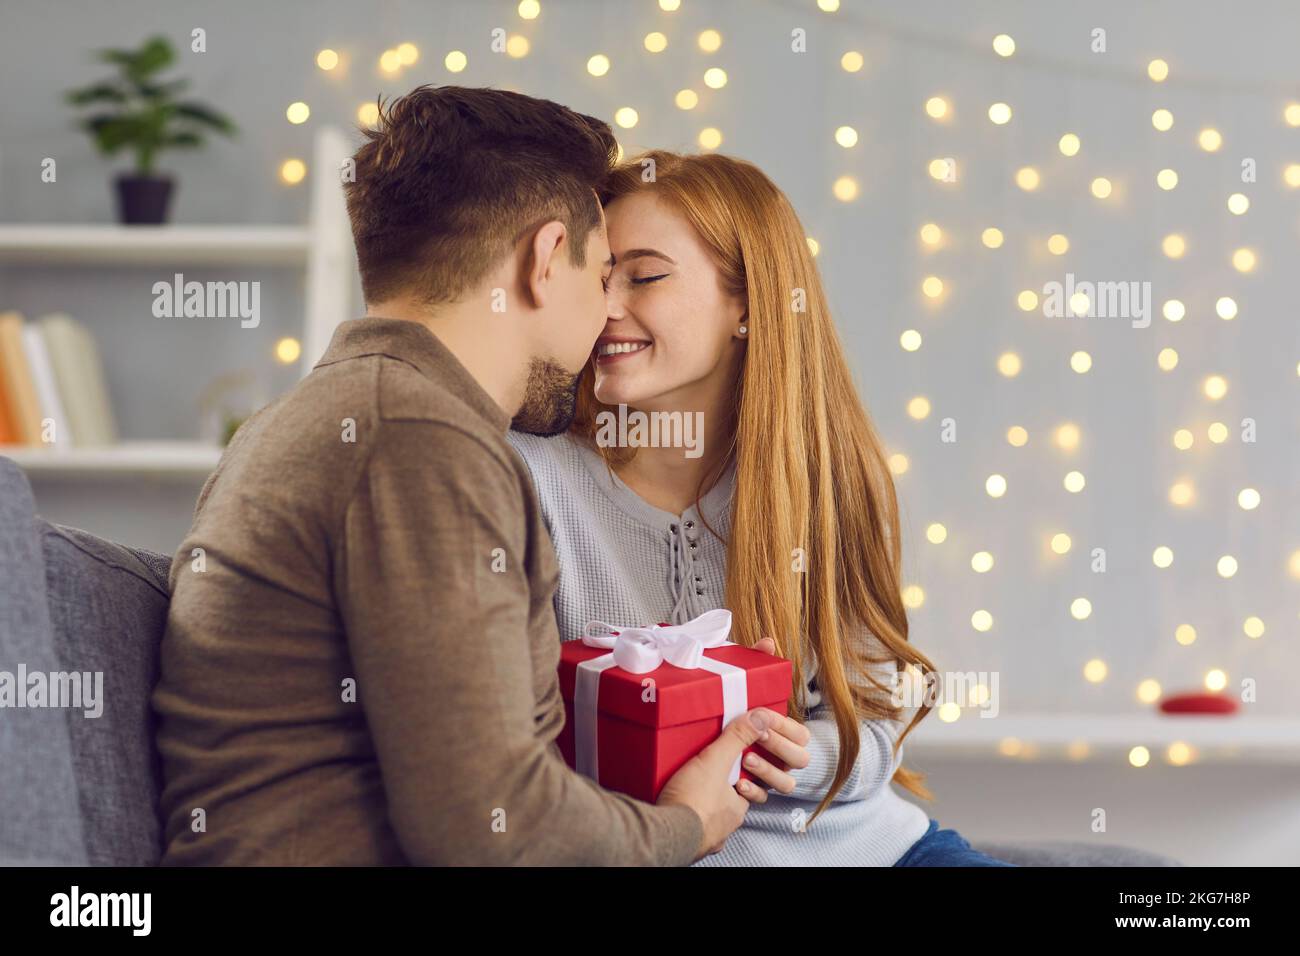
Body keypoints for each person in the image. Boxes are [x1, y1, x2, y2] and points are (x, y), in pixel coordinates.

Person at [151, 87, 809, 866]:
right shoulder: (420, 445)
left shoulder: (335, 417)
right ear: (543, 261)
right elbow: (496, 827)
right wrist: (686, 825)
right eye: (601, 275)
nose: (606, 317)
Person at [509, 150, 1016, 866]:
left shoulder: (825, 477)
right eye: (599, 279)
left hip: (884, 854)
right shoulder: (527, 474)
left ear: (746, 303)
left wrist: (799, 758)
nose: (607, 307)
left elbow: (873, 713)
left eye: (645, 276)